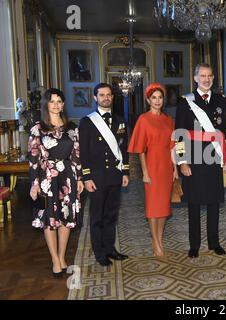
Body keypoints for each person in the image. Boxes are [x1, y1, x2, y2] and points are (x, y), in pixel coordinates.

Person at [175, 63, 226, 258]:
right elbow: (179, 134)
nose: (206, 79)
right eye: (202, 76)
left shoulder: (221, 101)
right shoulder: (185, 102)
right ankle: (194, 245)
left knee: (214, 202)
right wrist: (182, 162)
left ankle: (214, 242)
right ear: (195, 78)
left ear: (213, 78)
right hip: (193, 159)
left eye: (209, 76)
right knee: (193, 204)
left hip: (215, 157)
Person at [28, 88, 83, 277]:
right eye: (53, 101)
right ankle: (54, 259)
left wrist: (80, 178)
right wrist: (34, 184)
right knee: (50, 220)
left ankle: (62, 255)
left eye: (60, 101)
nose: (57, 104)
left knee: (65, 219)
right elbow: (33, 157)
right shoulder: (38, 128)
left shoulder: (71, 127)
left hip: (68, 177)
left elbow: (77, 154)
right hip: (47, 178)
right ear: (46, 104)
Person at [79, 83, 130, 266]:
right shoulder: (87, 122)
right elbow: (83, 153)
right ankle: (99, 253)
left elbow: (123, 149)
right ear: (95, 98)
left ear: (112, 97)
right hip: (97, 177)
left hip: (115, 176)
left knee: (111, 215)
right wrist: (86, 177)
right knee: (97, 217)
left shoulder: (120, 120)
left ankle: (110, 249)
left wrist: (125, 171)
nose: (106, 98)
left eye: (109, 95)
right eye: (102, 95)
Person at [128, 83, 178, 258]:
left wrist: (175, 170)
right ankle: (155, 240)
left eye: (160, 97)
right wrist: (145, 173)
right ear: (148, 99)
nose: (157, 101)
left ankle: (160, 238)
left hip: (166, 166)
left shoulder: (169, 120)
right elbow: (140, 149)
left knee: (164, 206)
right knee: (152, 206)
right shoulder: (143, 119)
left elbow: (173, 147)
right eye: (154, 97)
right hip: (152, 165)